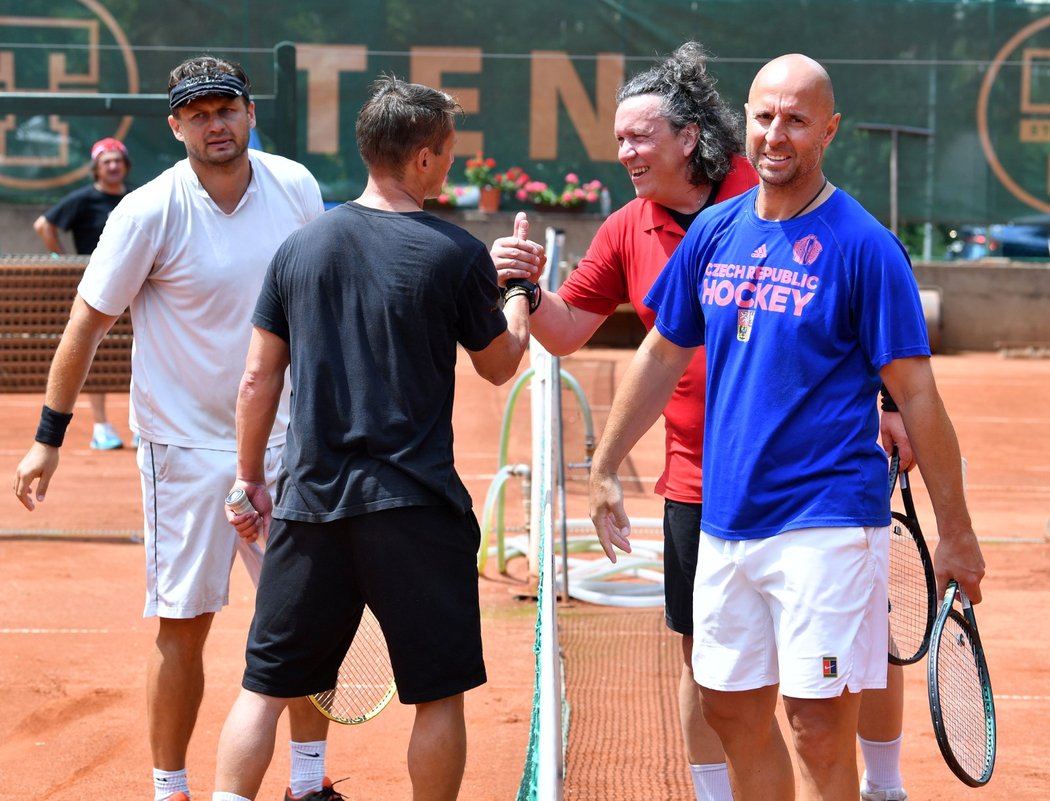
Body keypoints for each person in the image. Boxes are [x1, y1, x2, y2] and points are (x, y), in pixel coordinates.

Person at [492, 42, 912, 801]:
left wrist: (889, 403)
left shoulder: (772, 180)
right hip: (701, 479)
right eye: (617, 139)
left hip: (818, 485)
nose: (624, 151)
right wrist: (523, 285)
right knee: (709, 664)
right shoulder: (627, 227)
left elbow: (872, 291)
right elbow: (564, 331)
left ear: (688, 137)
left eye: (638, 136)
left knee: (854, 658)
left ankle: (884, 785)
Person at [587, 53, 985, 801]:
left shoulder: (865, 246)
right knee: (730, 710)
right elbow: (663, 349)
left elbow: (920, 397)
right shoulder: (715, 232)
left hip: (825, 518)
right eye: (765, 116)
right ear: (746, 119)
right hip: (727, 520)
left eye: (797, 120)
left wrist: (955, 531)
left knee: (815, 726)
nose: (777, 134)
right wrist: (605, 463)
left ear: (827, 130)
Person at [13, 56, 339, 801]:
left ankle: (309, 785)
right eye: (197, 114)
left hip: (290, 443)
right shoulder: (147, 210)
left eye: (226, 109)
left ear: (250, 113)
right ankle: (170, 789)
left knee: (304, 619)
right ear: (175, 125)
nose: (214, 124)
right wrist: (48, 436)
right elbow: (85, 326)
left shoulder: (295, 187)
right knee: (182, 622)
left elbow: (322, 306)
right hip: (184, 450)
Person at [209, 75, 531, 801]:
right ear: (422, 159)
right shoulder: (456, 252)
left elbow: (258, 381)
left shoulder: (298, 249)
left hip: (310, 503)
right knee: (439, 694)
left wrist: (248, 477)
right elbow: (500, 364)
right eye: (445, 152)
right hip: (415, 508)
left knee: (264, 686)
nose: (448, 165)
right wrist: (519, 296)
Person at [33, 136, 132, 450]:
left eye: (117, 161)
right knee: (95, 355)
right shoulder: (82, 199)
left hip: (139, 289)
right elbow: (43, 225)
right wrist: (63, 260)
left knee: (142, 352)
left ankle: (144, 426)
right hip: (98, 290)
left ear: (125, 166)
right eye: (107, 162)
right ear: (96, 168)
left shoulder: (138, 199)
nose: (113, 166)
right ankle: (102, 427)